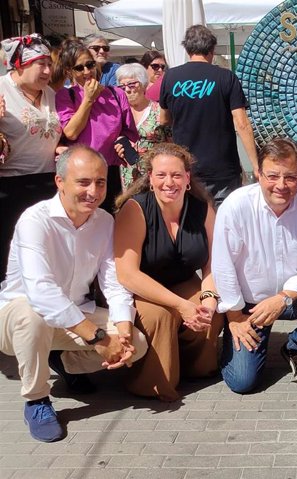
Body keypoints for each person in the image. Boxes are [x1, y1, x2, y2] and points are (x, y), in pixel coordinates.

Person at [0, 145, 148, 442]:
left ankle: (63, 362)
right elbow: (41, 293)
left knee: (140, 343)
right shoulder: (35, 220)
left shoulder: (104, 221)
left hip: (76, 314)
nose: (93, 191)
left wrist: (122, 330)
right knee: (34, 317)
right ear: (60, 182)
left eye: (101, 182)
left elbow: (113, 282)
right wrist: (100, 339)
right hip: (18, 318)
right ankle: (37, 400)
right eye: (83, 182)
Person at [213, 137, 297, 393]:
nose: (281, 185)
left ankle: (296, 347)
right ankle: (230, 345)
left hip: (293, 298)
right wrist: (235, 316)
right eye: (272, 176)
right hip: (248, 305)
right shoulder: (236, 205)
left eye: (290, 177)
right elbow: (223, 264)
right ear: (258, 174)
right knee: (243, 382)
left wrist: (283, 299)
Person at [114, 143, 222, 401]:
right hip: (143, 285)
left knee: (210, 312)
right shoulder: (135, 209)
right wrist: (180, 305)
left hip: (183, 281)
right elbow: (127, 274)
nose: (168, 182)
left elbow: (214, 263)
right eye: (161, 175)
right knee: (158, 317)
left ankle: (194, 367)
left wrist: (209, 298)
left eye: (176, 175)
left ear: (187, 179)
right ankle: (153, 383)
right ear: (150, 179)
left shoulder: (202, 208)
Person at [159, 25, 258, 206]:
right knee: (225, 225)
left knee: (192, 223)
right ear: (212, 49)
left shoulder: (170, 77)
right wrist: (256, 165)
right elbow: (242, 123)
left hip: (186, 166)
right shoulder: (226, 77)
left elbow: (163, 119)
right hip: (223, 168)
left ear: (187, 49)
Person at [0, 34, 63, 281]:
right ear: (20, 64)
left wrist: (60, 147)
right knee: (11, 255)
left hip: (48, 183)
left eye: (50, 63)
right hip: (11, 186)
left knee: (45, 253)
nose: (48, 70)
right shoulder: (2, 89)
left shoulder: (50, 93)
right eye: (41, 64)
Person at [56, 40, 139, 213]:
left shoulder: (116, 94)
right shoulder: (66, 95)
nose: (87, 72)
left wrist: (125, 142)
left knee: (109, 223)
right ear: (69, 71)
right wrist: (88, 99)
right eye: (79, 68)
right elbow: (71, 132)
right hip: (80, 174)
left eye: (90, 65)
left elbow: (130, 132)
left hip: (109, 171)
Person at [115, 63, 171, 187]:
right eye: (122, 87)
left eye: (132, 84)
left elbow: (171, 142)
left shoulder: (159, 110)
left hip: (155, 175)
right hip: (128, 177)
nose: (128, 90)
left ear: (143, 84)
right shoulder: (118, 113)